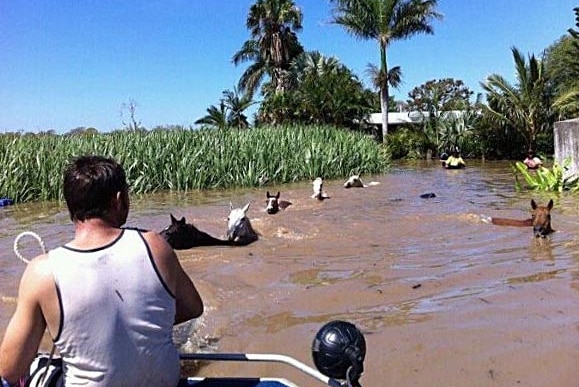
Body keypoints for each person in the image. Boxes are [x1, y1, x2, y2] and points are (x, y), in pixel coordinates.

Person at [0, 155, 204, 387]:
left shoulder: (42, 272)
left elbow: (10, 369)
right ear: (119, 200)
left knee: (37, 369)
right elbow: (194, 307)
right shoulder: (156, 246)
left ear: (70, 207)